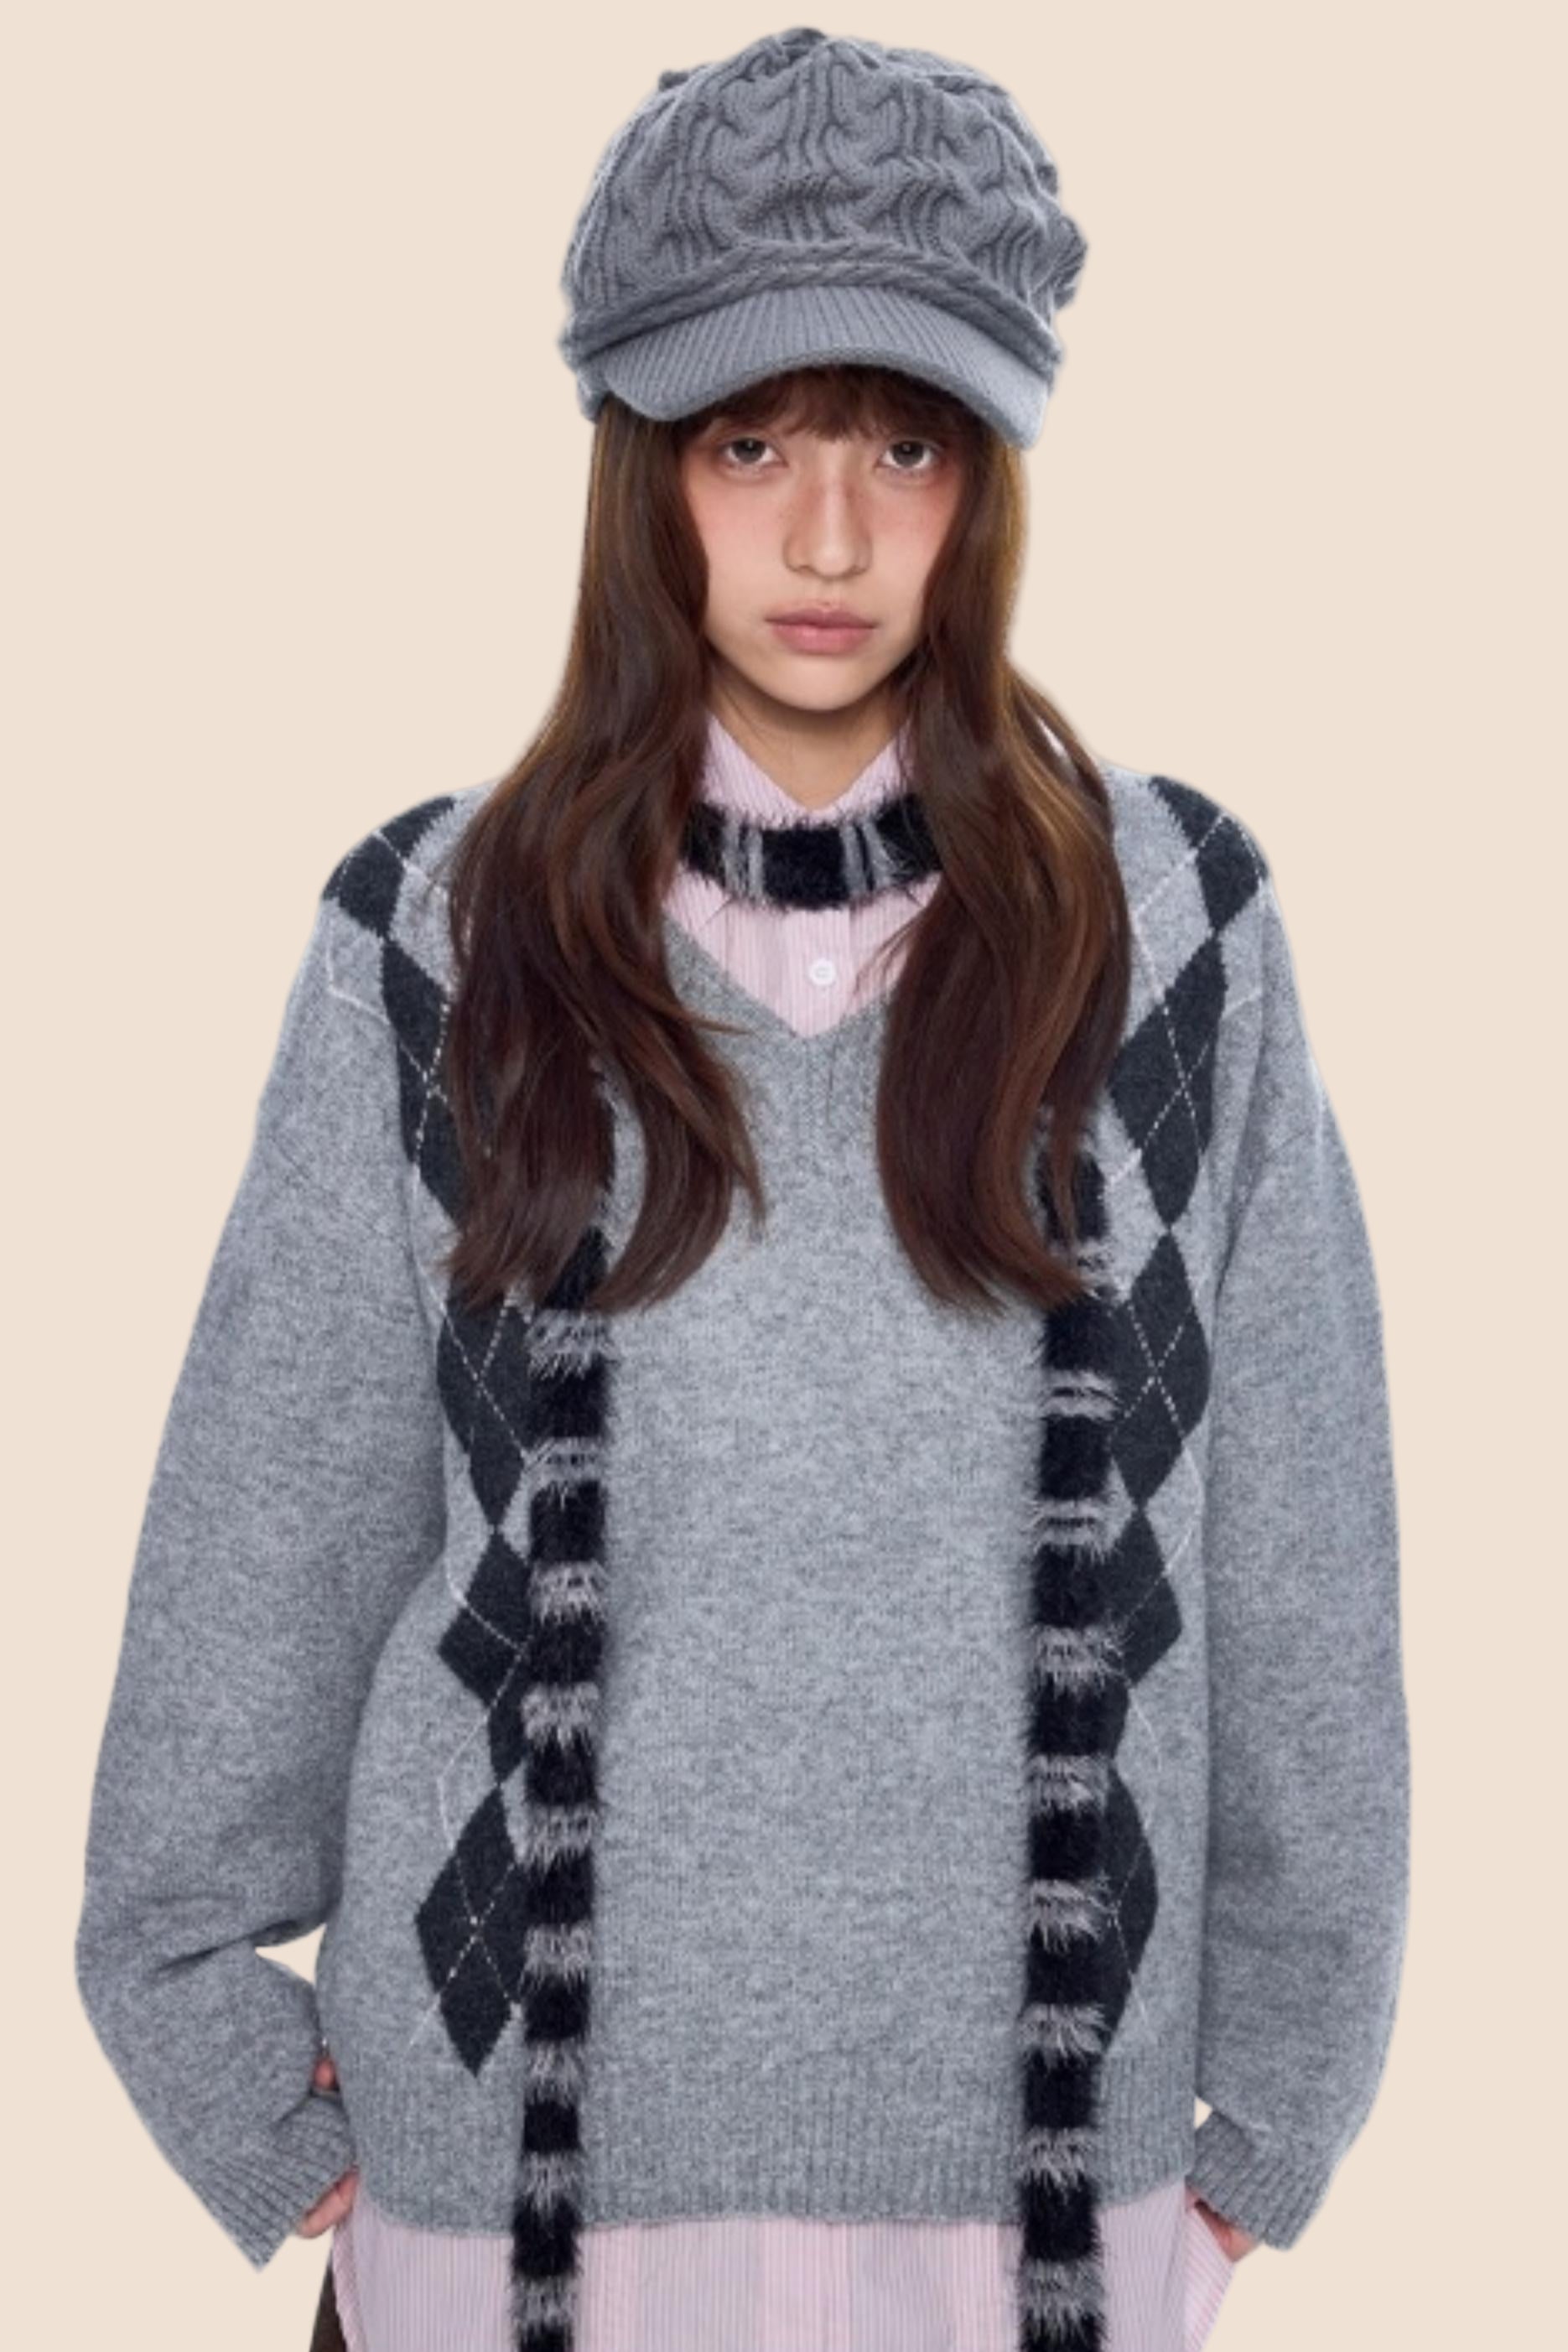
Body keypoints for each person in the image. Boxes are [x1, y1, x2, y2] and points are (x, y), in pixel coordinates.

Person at [74, 28, 1410, 2352]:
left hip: (1034, 2242)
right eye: (749, 440)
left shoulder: (1176, 935)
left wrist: (1267, 2126)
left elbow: (1304, 1566)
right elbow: (266, 1539)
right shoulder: (435, 937)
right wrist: (228, 2067)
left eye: (905, 442)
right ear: (639, 465)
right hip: (511, 2235)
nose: (828, 537)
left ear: (991, 472)